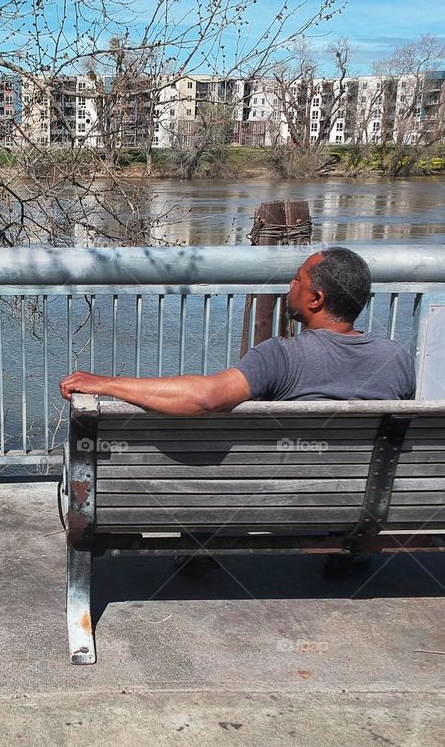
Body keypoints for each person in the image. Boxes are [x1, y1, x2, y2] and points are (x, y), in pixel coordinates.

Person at [60, 246, 416, 577]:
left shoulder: (282, 355)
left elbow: (204, 397)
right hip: (363, 506)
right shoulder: (397, 357)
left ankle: (203, 544)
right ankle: (348, 550)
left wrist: (106, 383)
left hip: (280, 504)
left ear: (315, 298)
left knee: (203, 445)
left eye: (297, 279)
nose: (290, 285)